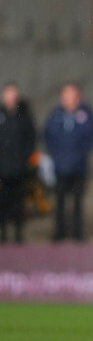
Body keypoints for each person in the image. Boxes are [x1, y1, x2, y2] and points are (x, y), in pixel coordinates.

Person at [45, 83, 93, 241]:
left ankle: (78, 232)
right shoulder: (55, 115)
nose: (69, 100)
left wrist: (81, 153)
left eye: (72, 96)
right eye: (66, 96)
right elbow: (47, 136)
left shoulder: (86, 115)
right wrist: (56, 154)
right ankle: (59, 232)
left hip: (79, 166)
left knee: (77, 202)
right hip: (60, 166)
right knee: (59, 201)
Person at [0, 84, 35, 243]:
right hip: (2, 169)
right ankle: (3, 234)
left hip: (19, 169)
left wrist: (24, 159)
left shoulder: (24, 116)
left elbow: (30, 139)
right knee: (2, 202)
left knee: (18, 202)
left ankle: (18, 234)